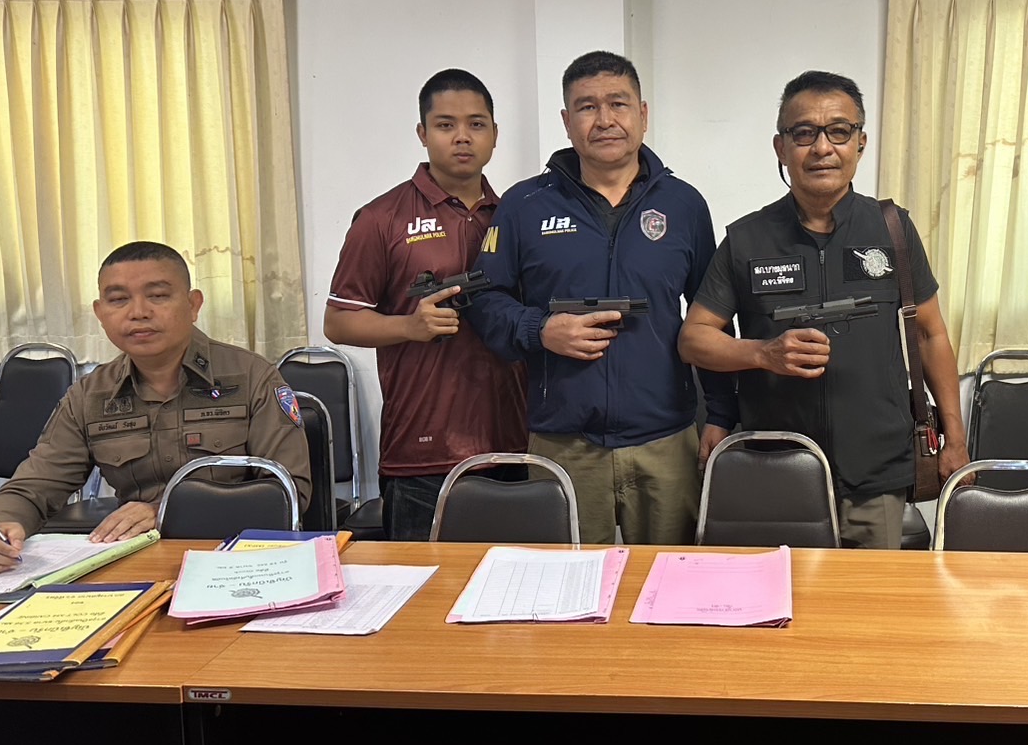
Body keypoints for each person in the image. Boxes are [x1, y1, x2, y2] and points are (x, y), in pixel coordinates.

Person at [678, 70, 968, 549]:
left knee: (866, 594)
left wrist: (954, 438)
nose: (821, 148)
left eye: (839, 131)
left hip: (876, 472)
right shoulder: (747, 239)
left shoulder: (892, 229)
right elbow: (694, 339)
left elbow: (929, 334)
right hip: (777, 467)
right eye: (804, 133)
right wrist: (762, 353)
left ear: (860, 143)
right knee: (782, 592)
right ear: (781, 147)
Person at [468, 50, 736, 545]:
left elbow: (713, 314)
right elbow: (484, 300)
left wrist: (721, 413)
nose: (605, 119)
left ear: (643, 114)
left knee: (668, 580)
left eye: (619, 103)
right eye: (587, 107)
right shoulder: (524, 205)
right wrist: (540, 330)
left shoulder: (684, 205)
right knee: (566, 585)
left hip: (666, 440)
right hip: (563, 443)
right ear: (567, 122)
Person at [0, 241, 311, 575]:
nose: (138, 312)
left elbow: (287, 491)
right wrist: (0, 525)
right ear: (100, 313)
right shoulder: (91, 396)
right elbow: (35, 486)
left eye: (158, 295)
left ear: (193, 304)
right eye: (118, 299)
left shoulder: (252, 376)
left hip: (238, 559)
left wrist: (163, 511)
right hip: (138, 564)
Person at [324, 69, 527, 540]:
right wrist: (409, 327)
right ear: (422, 133)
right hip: (420, 453)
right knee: (424, 584)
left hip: (512, 441)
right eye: (445, 125)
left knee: (514, 582)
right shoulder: (381, 218)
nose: (462, 137)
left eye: (476, 124)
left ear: (495, 134)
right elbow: (338, 322)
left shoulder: (517, 216)